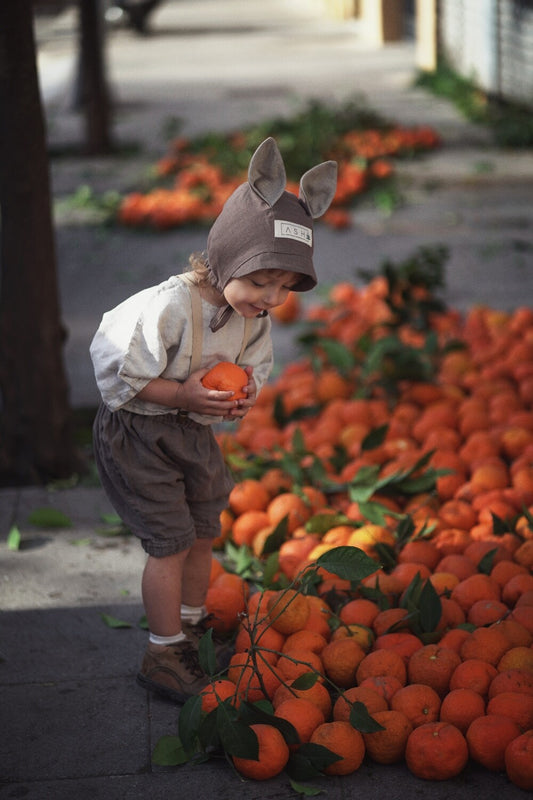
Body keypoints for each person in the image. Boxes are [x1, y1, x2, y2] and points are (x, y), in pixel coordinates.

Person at [90, 137, 337, 703]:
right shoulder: (171, 307)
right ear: (225, 257)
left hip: (193, 432)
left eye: (284, 287)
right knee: (169, 542)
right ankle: (162, 650)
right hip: (140, 433)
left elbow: (250, 368)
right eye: (259, 281)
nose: (271, 297)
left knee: (205, 530)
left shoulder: (252, 317)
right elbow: (121, 375)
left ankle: (194, 623)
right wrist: (182, 394)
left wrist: (241, 395)